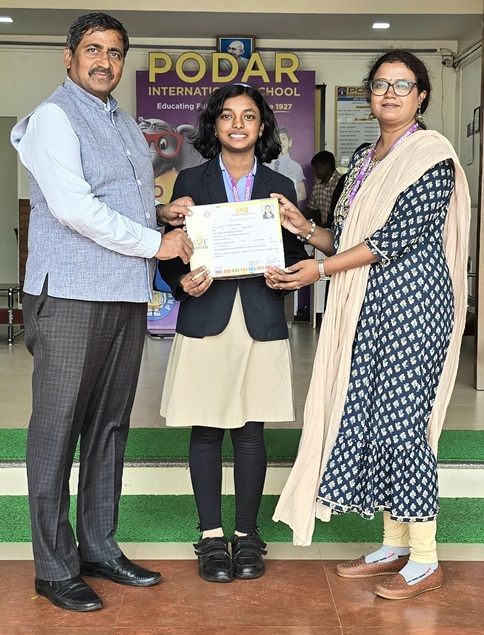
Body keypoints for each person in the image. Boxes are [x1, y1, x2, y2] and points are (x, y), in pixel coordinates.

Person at [265, 50, 470, 600]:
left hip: (414, 307)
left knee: (404, 428)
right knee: (377, 422)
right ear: (369, 94)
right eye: (380, 85)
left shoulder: (432, 157)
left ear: (421, 96)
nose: (390, 94)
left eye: (402, 85)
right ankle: (393, 545)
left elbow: (395, 238)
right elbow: (348, 238)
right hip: (366, 306)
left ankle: (424, 558)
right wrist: (304, 228)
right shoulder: (362, 158)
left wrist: (320, 269)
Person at [10, 12, 194, 612]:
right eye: (93, 50)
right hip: (69, 293)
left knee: (110, 426)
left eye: (115, 52)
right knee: (57, 429)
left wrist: (159, 216)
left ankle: (97, 547)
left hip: (122, 294)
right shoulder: (54, 117)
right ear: (69, 56)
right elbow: (74, 208)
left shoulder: (122, 122)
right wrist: (156, 243)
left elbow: (116, 200)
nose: (104, 62)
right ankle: (53, 567)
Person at [158, 83, 308, 583]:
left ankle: (246, 535)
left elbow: (294, 255)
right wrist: (181, 282)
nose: (238, 124)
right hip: (207, 317)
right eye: (227, 115)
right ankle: (210, 536)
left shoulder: (279, 186)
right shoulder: (190, 181)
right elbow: (171, 251)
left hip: (260, 318)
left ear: (262, 126)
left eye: (248, 116)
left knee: (250, 431)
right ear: (214, 125)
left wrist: (287, 275)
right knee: (205, 428)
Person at [267, 127, 307, 202]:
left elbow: (302, 194)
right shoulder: (265, 165)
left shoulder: (295, 167)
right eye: (277, 139)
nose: (280, 142)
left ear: (290, 142)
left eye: (283, 138)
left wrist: (284, 199)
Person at [305, 151, 340, 227]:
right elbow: (311, 210)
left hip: (341, 228)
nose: (315, 171)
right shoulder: (316, 188)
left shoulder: (341, 183)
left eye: (317, 167)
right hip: (325, 230)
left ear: (327, 166)